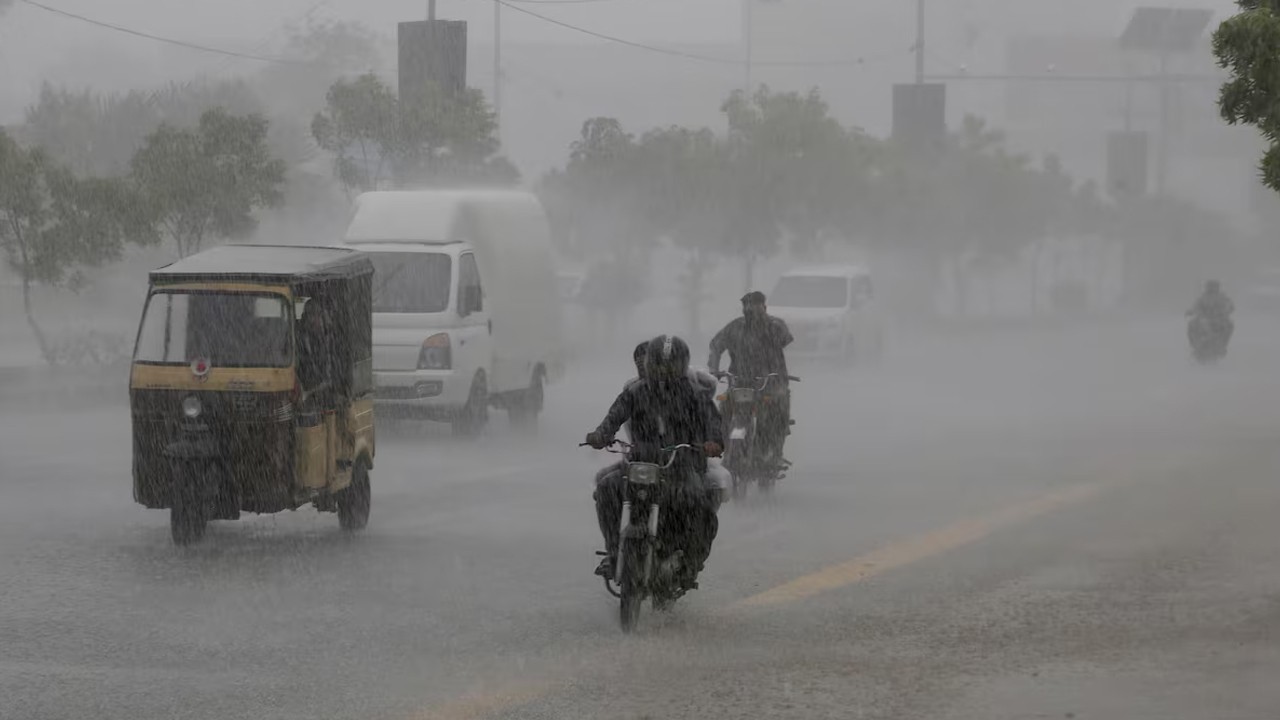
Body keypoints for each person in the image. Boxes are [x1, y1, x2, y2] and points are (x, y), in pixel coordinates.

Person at [585, 335, 725, 586]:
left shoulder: (696, 395)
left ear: (681, 365)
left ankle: (689, 562)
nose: (663, 371)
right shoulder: (635, 392)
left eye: (669, 366)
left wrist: (713, 441)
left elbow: (713, 422)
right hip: (639, 463)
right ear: (649, 364)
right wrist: (601, 434)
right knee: (607, 488)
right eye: (659, 365)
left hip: (681, 466)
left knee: (700, 506)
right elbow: (614, 416)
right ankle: (614, 551)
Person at [708, 291, 794, 461]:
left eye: (756, 305)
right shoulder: (735, 327)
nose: (751, 309)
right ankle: (724, 444)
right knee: (724, 407)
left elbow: (784, 339)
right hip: (739, 382)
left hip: (771, 381)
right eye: (747, 305)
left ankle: (773, 451)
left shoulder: (775, 325)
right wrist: (714, 370)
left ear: (764, 306)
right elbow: (716, 346)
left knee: (776, 411)